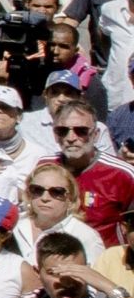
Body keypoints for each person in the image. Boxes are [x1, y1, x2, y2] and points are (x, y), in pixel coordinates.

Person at [45, 98, 134, 245]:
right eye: (62, 131)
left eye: (81, 131)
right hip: (54, 258)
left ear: (96, 134)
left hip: (105, 262)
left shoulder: (123, 175)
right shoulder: (44, 168)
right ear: (55, 135)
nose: (71, 138)